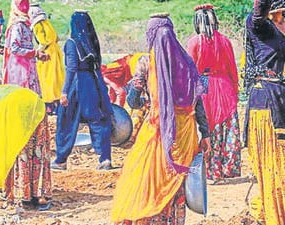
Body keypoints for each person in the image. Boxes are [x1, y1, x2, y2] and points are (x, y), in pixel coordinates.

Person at [111, 13, 211, 224]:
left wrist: (147, 99)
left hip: (157, 134)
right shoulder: (187, 64)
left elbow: (133, 101)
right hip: (185, 134)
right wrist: (206, 133)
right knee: (177, 180)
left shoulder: (147, 64)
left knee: (148, 179)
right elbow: (198, 102)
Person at [3, 0, 52, 210]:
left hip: (22, 91)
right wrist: (35, 53)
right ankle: (29, 193)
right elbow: (15, 48)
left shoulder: (19, 26)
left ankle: (25, 192)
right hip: (24, 93)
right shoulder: (18, 27)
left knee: (25, 143)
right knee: (31, 143)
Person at [51, 10, 113, 171]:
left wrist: (64, 92)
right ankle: (105, 159)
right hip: (92, 83)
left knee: (66, 121)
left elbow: (71, 68)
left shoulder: (72, 43)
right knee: (98, 120)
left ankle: (61, 160)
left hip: (77, 85)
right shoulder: (91, 42)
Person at [187, 4, 241, 183]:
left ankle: (213, 171)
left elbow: (190, 71)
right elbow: (233, 69)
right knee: (227, 128)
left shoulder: (194, 42)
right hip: (225, 86)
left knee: (209, 128)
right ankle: (227, 169)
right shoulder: (224, 41)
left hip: (205, 88)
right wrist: (236, 88)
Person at [244, 0, 285, 224]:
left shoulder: (280, 28)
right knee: (275, 167)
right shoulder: (260, 26)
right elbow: (258, 15)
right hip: (265, 103)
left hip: (280, 99)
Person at [28, 3, 65, 115]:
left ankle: (49, 107)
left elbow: (43, 41)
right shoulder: (47, 23)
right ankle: (58, 106)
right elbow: (56, 37)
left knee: (46, 79)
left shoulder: (37, 25)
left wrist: (37, 52)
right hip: (55, 52)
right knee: (57, 78)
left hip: (47, 54)